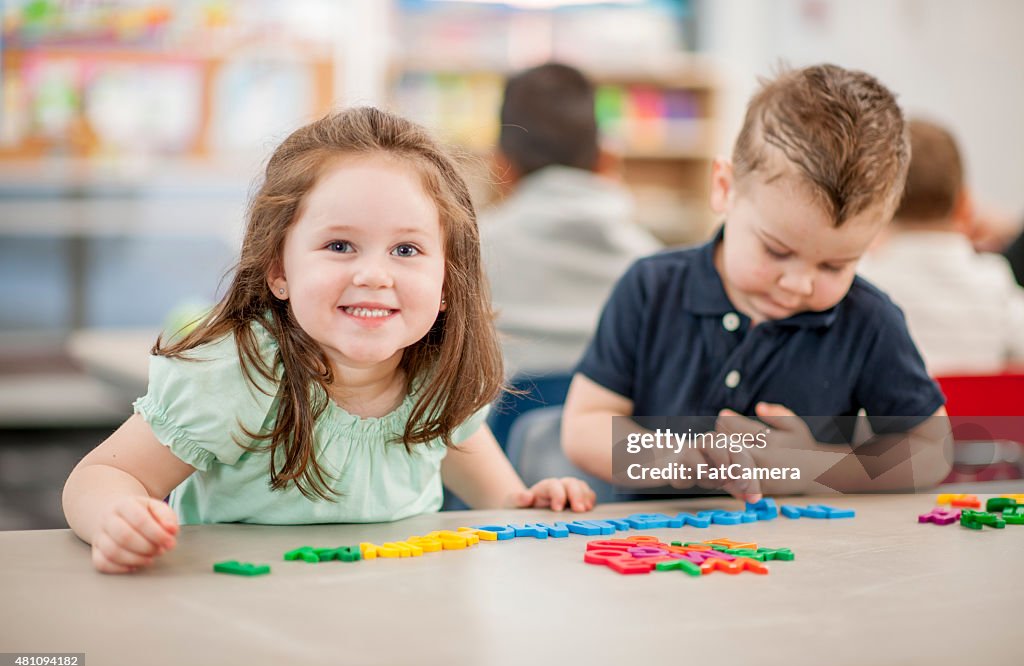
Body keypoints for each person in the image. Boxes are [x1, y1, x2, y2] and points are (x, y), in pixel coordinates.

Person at [62, 107, 596, 574]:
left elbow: (500, 501)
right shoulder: (237, 375)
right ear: (279, 269)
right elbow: (105, 475)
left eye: (406, 251)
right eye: (340, 244)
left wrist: (533, 501)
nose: (373, 274)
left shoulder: (438, 378)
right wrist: (118, 516)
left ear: (447, 284)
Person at [561, 64, 952, 501]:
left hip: (808, 562)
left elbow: (932, 448)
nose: (798, 283)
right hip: (650, 557)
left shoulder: (868, 320)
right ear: (725, 188)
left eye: (834, 266)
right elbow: (585, 426)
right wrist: (670, 458)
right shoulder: (651, 289)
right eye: (776, 251)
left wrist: (816, 466)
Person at [482, 62, 661, 379]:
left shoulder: (465, 256)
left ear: (500, 166)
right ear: (606, 159)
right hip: (615, 430)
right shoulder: (656, 269)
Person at [859, 119, 1024, 375]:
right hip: (977, 415)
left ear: (879, 205)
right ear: (966, 205)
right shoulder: (994, 281)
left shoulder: (864, 282)